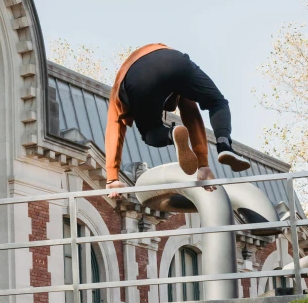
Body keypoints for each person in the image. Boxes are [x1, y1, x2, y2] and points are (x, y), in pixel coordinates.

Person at [105, 44, 250, 197]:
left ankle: (172, 133)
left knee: (151, 134)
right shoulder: (177, 84)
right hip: (174, 60)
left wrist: (112, 178)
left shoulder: (118, 89)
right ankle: (224, 144)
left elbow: (114, 130)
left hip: (135, 76)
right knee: (217, 101)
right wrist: (203, 164)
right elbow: (193, 119)